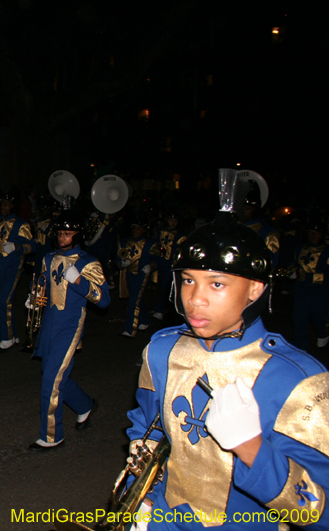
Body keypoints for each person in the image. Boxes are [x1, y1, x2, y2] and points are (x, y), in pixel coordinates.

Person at [126, 169, 329, 530]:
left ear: (254, 289)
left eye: (216, 284)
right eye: (188, 280)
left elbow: (319, 511)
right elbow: (148, 429)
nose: (195, 299)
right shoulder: (162, 351)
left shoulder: (298, 379)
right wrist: (138, 499)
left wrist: (251, 447)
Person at [28, 208, 110, 450]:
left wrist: (79, 281)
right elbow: (43, 282)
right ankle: (84, 404)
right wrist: (34, 298)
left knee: (51, 382)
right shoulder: (49, 257)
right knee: (53, 376)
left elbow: (103, 300)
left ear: (77, 235)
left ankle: (52, 436)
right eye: (59, 233)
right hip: (50, 325)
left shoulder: (88, 263)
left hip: (70, 327)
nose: (61, 237)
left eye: (67, 233)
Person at [0, 189, 35, 350]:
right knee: (4, 302)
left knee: (4, 300)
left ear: (12, 205)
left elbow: (32, 246)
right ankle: (14, 334)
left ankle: (7, 338)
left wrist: (16, 246)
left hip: (13, 266)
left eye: (5, 204)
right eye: (1, 204)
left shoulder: (20, 224)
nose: (2, 207)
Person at [290, 214, 329, 351]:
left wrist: (313, 278)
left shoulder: (327, 252)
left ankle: (323, 334)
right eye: (310, 233)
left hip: (321, 290)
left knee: (319, 319)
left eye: (316, 233)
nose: (313, 236)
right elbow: (296, 264)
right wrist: (292, 272)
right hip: (302, 289)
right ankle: (300, 347)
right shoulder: (300, 248)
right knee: (299, 318)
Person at [116, 217, 157, 338]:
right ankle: (144, 320)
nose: (135, 230)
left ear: (143, 229)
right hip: (128, 275)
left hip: (141, 275)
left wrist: (150, 266)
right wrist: (121, 264)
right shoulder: (124, 242)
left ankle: (129, 329)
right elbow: (117, 258)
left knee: (133, 301)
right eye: (133, 227)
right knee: (137, 299)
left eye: (138, 228)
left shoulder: (150, 244)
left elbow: (158, 260)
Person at [150, 208, 186, 321]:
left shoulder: (180, 235)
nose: (173, 222)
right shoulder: (160, 231)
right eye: (171, 220)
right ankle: (159, 307)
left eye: (175, 220)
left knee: (166, 286)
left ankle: (160, 309)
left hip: (171, 264)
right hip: (160, 262)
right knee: (159, 285)